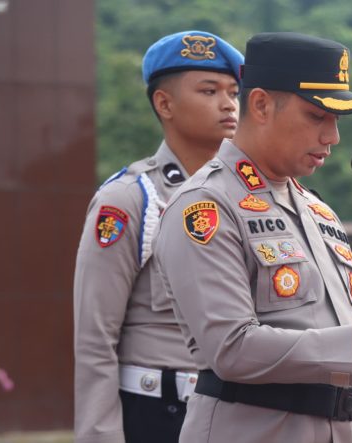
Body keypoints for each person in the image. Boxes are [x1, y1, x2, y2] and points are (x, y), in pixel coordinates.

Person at [153, 32, 352, 443]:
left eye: (337, 121)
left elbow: (342, 355)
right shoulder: (207, 206)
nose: (333, 137)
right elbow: (231, 350)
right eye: (317, 116)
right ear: (262, 105)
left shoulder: (317, 211)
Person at [73, 30, 244, 443]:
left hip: (234, 416)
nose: (228, 104)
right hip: (157, 413)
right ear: (164, 103)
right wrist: (101, 436)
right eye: (209, 90)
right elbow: (95, 338)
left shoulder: (249, 199)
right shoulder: (131, 198)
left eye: (233, 92)